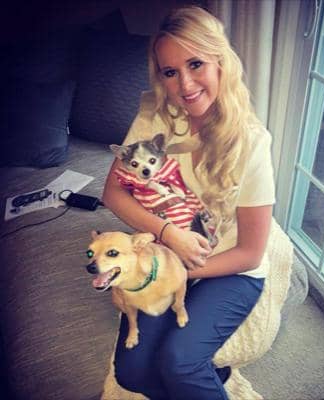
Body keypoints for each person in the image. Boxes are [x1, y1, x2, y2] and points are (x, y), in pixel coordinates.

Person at [102, 5, 275, 400]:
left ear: (220, 62)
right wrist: (169, 235)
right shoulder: (154, 116)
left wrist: (181, 271)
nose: (185, 84)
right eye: (170, 72)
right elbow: (112, 192)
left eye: (196, 64)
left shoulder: (254, 141)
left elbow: (251, 253)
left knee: (179, 361)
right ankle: (208, 380)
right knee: (131, 372)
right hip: (168, 252)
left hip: (230, 266)